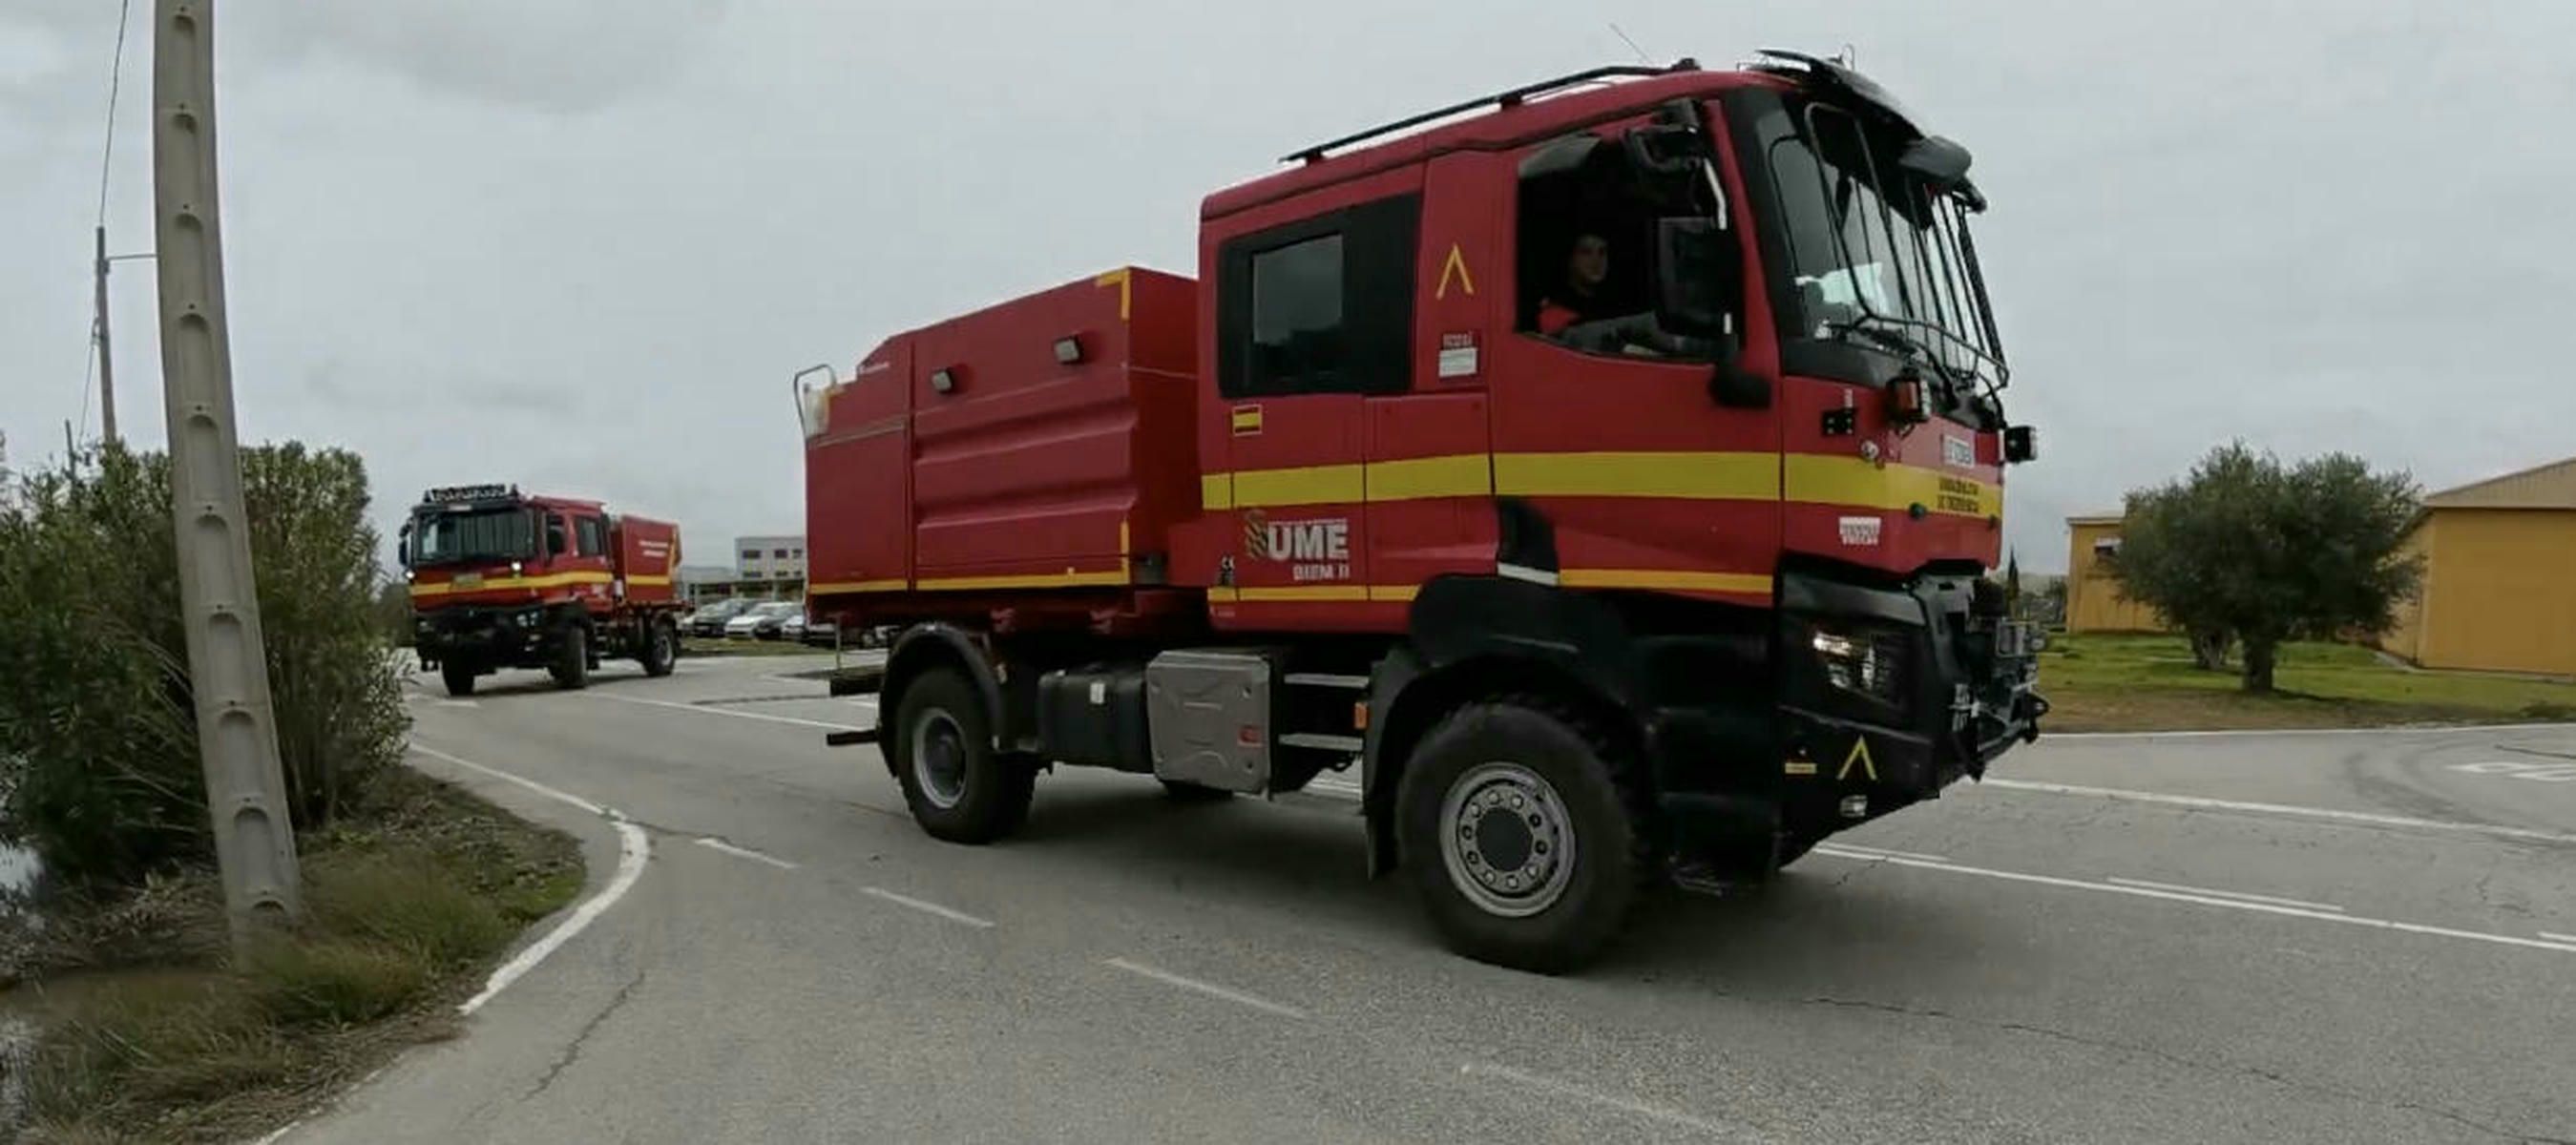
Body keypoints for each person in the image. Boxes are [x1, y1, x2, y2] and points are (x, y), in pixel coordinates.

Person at [1535, 233, 1613, 336]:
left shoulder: (1612, 306)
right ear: (1571, 259)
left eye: (1602, 252)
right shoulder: (1555, 306)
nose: (1596, 260)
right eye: (1586, 252)